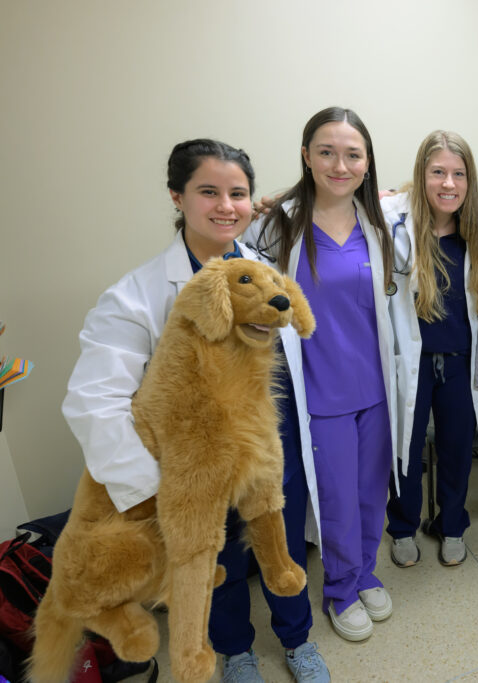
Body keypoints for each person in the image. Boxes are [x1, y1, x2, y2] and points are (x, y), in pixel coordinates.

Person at [62, 139, 330, 681]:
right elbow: (93, 403)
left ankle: (297, 639)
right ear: (177, 197)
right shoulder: (135, 296)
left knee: (281, 546)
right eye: (208, 192)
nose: (225, 206)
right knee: (218, 561)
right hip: (194, 466)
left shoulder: (264, 274)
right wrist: (155, 490)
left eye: (238, 193)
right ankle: (238, 651)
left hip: (266, 449)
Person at [247, 107, 397, 644]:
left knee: (369, 493)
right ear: (306, 157)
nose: (340, 164)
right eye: (327, 152)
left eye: (353, 154)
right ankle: (340, 589)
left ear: (367, 162)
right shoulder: (274, 225)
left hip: (377, 388)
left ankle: (366, 572)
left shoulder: (380, 221)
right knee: (334, 496)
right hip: (320, 392)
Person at [382, 130, 478, 567]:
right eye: (438, 173)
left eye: (458, 174)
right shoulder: (396, 222)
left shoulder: (475, 230)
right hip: (414, 361)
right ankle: (403, 527)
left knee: (455, 450)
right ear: (421, 176)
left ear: (469, 181)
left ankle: (452, 526)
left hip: (460, 359)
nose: (449, 183)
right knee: (405, 449)